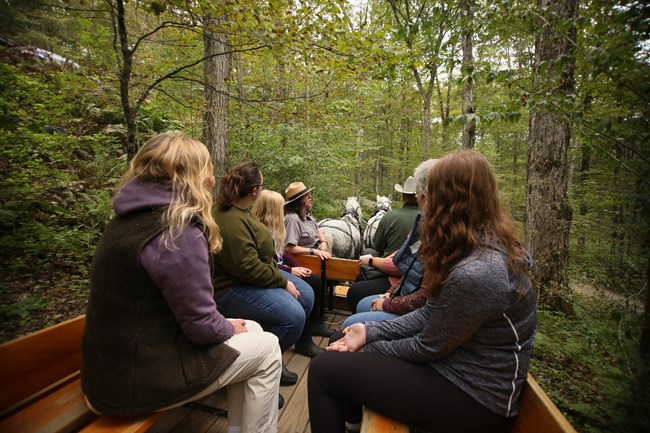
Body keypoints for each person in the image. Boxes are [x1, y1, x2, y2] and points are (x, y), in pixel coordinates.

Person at [308, 150, 537, 433]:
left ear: (447, 200)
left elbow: (427, 346)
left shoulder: (480, 272)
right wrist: (369, 331)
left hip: (475, 398)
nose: (422, 201)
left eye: (427, 194)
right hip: (455, 367)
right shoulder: (473, 246)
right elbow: (431, 312)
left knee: (323, 369)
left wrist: (369, 344)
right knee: (341, 338)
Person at [81, 132, 281, 433]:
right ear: (195, 177)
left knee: (251, 328)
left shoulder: (126, 219)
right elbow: (201, 326)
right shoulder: (176, 231)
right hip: (136, 382)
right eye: (210, 171)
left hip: (110, 369)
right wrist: (226, 327)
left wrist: (228, 325)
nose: (214, 180)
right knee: (268, 348)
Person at [211, 162, 323, 387]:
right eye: (261, 185)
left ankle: (299, 342)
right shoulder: (228, 220)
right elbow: (247, 267)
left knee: (307, 293)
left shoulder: (241, 210)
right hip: (230, 287)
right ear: (254, 190)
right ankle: (265, 363)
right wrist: (282, 282)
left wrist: (284, 275)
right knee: (294, 316)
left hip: (256, 275)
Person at [346, 159, 438, 314]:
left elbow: (378, 247)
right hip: (404, 286)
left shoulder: (394, 218)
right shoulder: (423, 222)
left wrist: (371, 260)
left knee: (356, 288)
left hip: (397, 280)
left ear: (404, 196)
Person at [252, 189, 335, 338]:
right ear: (271, 210)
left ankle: (313, 325)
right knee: (309, 287)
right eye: (279, 208)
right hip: (273, 273)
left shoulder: (274, 229)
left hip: (284, 268)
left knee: (315, 281)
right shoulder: (261, 231)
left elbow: (283, 253)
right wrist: (291, 271)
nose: (282, 212)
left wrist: (296, 266)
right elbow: (269, 262)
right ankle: (306, 334)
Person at [370, 175, 421, 258]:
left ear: (403, 197)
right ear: (420, 196)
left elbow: (377, 245)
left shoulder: (389, 216)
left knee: (368, 251)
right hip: (419, 268)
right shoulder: (430, 218)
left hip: (389, 265)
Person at [283, 181, 332, 261]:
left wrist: (323, 241)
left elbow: (317, 228)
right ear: (299, 200)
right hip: (305, 261)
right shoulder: (292, 219)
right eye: (306, 196)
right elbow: (289, 248)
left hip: (316, 256)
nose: (310, 197)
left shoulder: (305, 214)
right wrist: (314, 251)